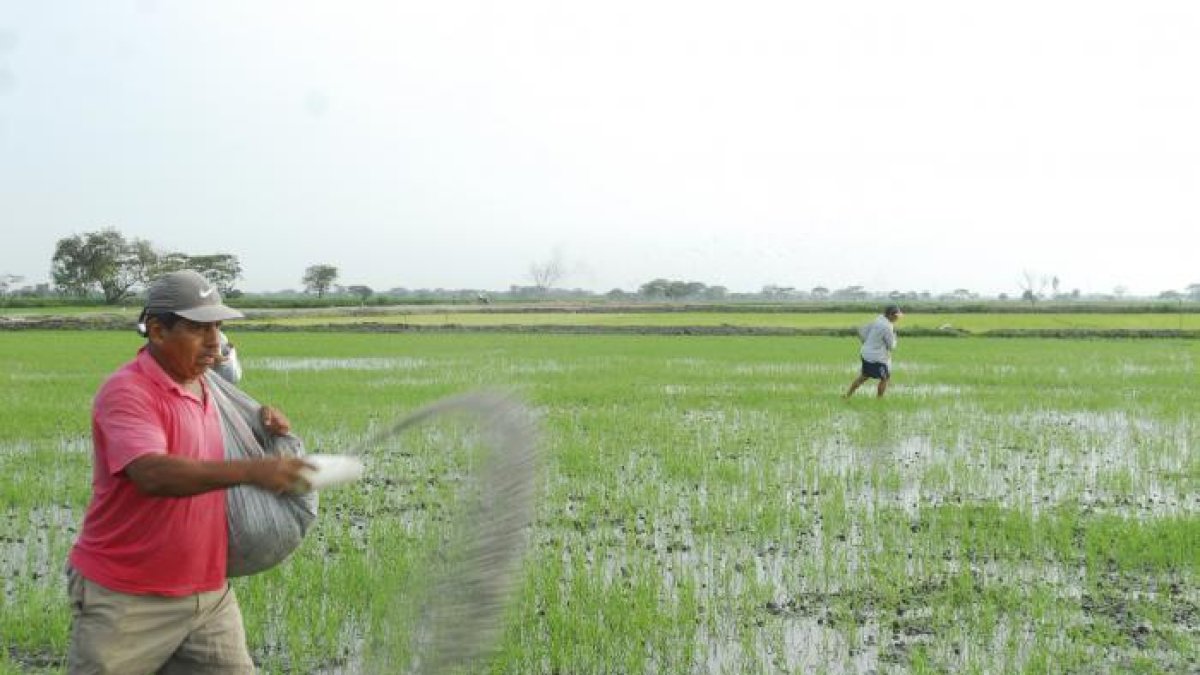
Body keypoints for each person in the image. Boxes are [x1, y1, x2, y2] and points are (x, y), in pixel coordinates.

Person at [66, 269, 310, 674]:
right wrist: (251, 470)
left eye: (217, 326)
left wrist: (265, 427)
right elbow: (152, 474)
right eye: (199, 328)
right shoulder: (128, 392)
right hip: (128, 599)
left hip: (209, 597)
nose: (215, 341)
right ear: (158, 331)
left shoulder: (209, 384)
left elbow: (232, 432)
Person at [844, 304, 902, 399]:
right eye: (897, 316)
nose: (898, 318)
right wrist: (895, 338)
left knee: (864, 376)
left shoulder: (878, 320)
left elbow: (863, 332)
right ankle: (879, 400)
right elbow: (891, 346)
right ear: (891, 315)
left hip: (866, 353)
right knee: (885, 378)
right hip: (875, 358)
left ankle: (847, 395)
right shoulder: (887, 327)